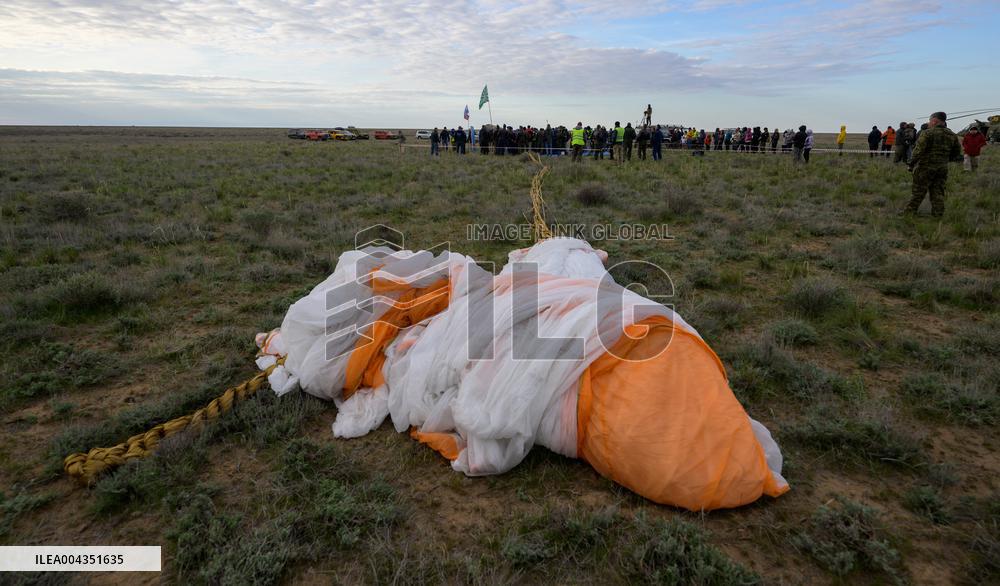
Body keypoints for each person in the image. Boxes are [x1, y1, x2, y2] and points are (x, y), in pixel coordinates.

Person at [904, 112, 961, 217]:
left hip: (925, 167)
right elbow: (957, 152)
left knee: (918, 191)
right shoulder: (952, 135)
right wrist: (945, 160)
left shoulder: (927, 133)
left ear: (934, 120)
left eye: (930, 120)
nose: (929, 123)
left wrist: (911, 164)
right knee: (938, 191)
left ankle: (909, 213)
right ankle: (938, 214)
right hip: (942, 168)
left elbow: (918, 151)